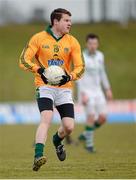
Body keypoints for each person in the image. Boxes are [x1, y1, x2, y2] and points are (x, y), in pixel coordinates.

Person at [19, 8, 85, 171]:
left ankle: (57, 141)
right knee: (46, 118)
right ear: (56, 21)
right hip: (44, 86)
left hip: (64, 88)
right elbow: (23, 60)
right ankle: (38, 155)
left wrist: (69, 77)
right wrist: (39, 70)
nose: (70, 23)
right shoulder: (38, 38)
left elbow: (80, 67)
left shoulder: (72, 41)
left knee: (69, 127)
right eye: (66, 20)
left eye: (70, 20)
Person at [77, 33, 113, 152]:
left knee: (103, 117)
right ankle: (89, 145)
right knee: (91, 116)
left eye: (95, 43)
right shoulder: (81, 56)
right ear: (87, 44)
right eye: (90, 43)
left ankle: (85, 134)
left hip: (98, 91)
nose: (93, 46)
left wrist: (107, 89)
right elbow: (79, 76)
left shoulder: (100, 56)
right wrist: (82, 93)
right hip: (86, 91)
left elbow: (102, 73)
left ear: (97, 44)